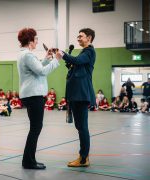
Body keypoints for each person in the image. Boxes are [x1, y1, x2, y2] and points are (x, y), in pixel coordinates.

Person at [17, 27, 61, 169]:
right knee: (36, 128)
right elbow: (41, 72)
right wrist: (56, 60)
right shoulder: (28, 55)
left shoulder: (25, 54)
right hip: (34, 95)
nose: (37, 41)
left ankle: (30, 160)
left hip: (31, 94)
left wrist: (47, 59)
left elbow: (37, 68)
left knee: (35, 128)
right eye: (36, 39)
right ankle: (28, 161)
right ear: (30, 41)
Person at [60, 28, 96, 167]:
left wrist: (62, 54)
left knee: (82, 127)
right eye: (78, 36)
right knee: (80, 126)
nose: (78, 38)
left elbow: (76, 60)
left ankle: (83, 158)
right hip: (77, 95)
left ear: (89, 38)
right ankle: (83, 156)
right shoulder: (84, 52)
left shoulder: (89, 51)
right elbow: (76, 63)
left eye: (81, 36)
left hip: (81, 94)